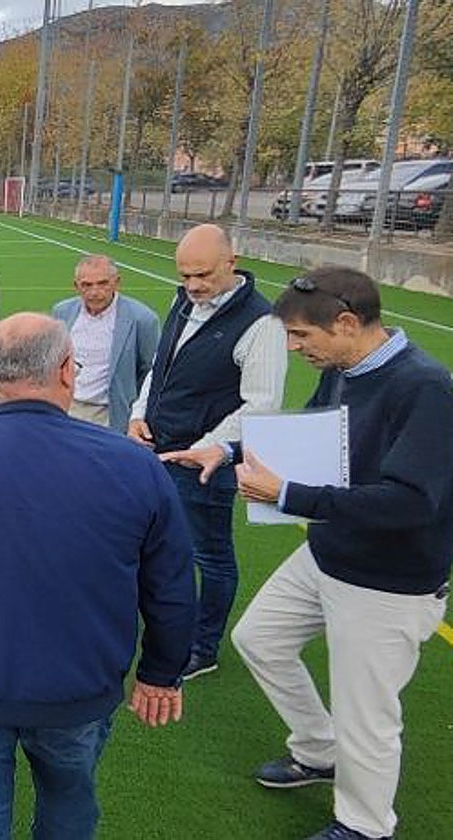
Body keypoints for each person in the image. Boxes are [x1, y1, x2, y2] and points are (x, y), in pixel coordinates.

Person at [0, 312, 196, 839]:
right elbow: (171, 583)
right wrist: (161, 670)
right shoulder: (133, 465)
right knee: (69, 805)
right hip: (78, 688)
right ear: (68, 371)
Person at [164, 267, 452, 840]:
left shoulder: (424, 387)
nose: (295, 350)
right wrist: (225, 448)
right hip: (329, 555)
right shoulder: (346, 369)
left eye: (301, 337)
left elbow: (412, 502)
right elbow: (314, 435)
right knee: (259, 639)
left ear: (347, 323)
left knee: (366, 712)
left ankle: (366, 825)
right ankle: (321, 752)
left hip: (388, 580)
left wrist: (289, 495)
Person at [127, 223, 287, 680]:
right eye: (185, 276)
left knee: (210, 555)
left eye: (203, 275)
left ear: (231, 263)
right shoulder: (183, 300)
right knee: (153, 541)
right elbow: (160, 368)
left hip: (205, 463)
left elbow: (262, 405)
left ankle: (202, 646)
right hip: (156, 448)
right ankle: (161, 623)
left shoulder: (263, 323)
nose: (194, 286)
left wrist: (204, 449)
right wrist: (140, 413)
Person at [51, 254, 160, 432]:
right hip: (67, 408)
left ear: (116, 282)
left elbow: (149, 371)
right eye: (86, 285)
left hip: (109, 414)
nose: (94, 292)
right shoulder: (62, 311)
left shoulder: (142, 319)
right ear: (76, 286)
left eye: (103, 283)